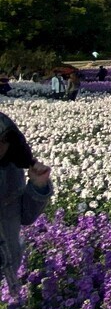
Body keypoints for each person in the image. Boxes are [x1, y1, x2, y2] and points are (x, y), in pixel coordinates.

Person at [0, 112, 53, 290]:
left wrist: (38, 186)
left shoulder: (10, 167)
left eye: (4, 141)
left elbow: (25, 216)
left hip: (8, 270)